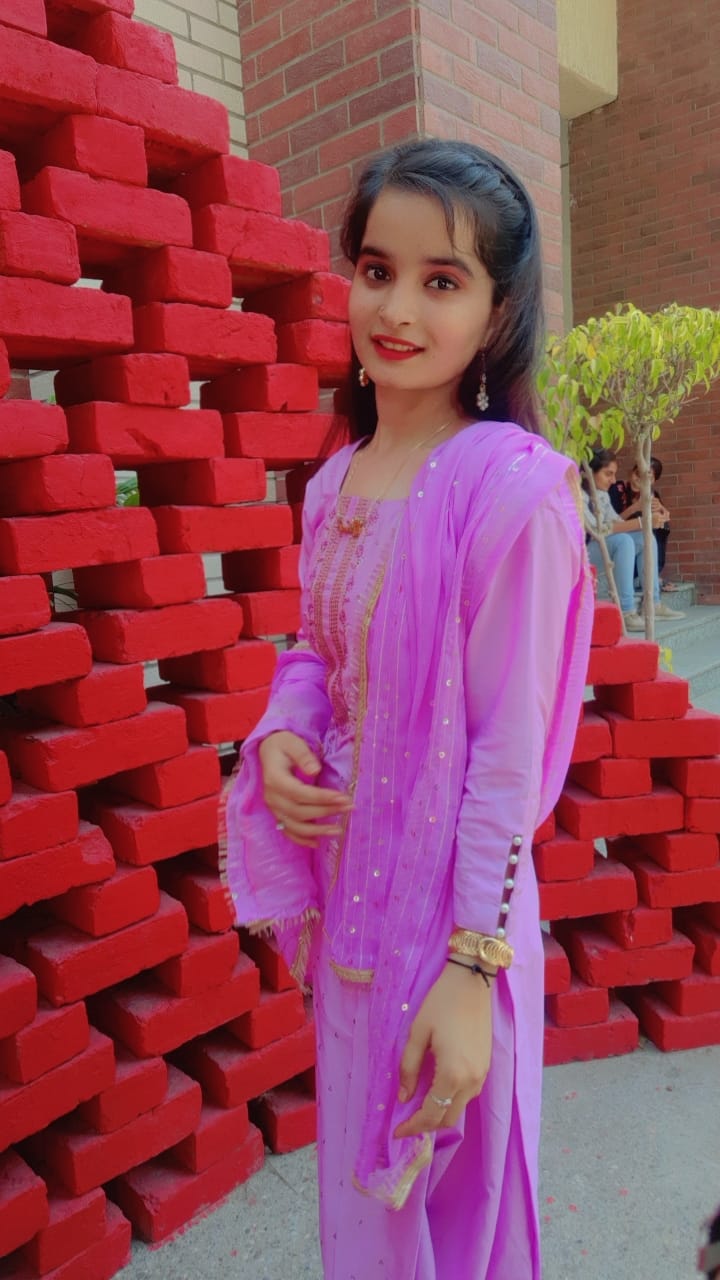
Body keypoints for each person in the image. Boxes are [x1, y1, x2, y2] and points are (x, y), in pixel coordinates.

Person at [221, 139, 594, 1280]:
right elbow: (318, 649)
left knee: (451, 1224)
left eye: (442, 280)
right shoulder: (336, 479)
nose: (396, 309)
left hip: (454, 932)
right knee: (368, 1220)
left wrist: (473, 976)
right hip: (353, 909)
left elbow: (506, 759)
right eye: (378, 270)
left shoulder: (512, 493)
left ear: (497, 312)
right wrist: (282, 732)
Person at [582, 449, 684, 631]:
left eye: (614, 474)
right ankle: (626, 611)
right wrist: (642, 521)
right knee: (623, 541)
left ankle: (652, 603)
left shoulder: (602, 494)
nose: (613, 480)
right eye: (608, 474)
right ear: (590, 472)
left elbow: (616, 522)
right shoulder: (578, 494)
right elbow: (598, 530)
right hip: (581, 554)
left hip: (601, 548)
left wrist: (652, 520)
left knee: (645, 537)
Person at [610, 456, 676, 589]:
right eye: (637, 474)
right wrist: (635, 508)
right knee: (645, 526)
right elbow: (611, 523)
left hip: (641, 542)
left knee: (662, 526)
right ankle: (638, 576)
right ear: (632, 473)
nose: (640, 479)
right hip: (620, 541)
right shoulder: (617, 489)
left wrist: (663, 511)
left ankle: (651, 573)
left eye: (648, 477)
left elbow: (664, 518)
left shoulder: (651, 494)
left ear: (653, 481)